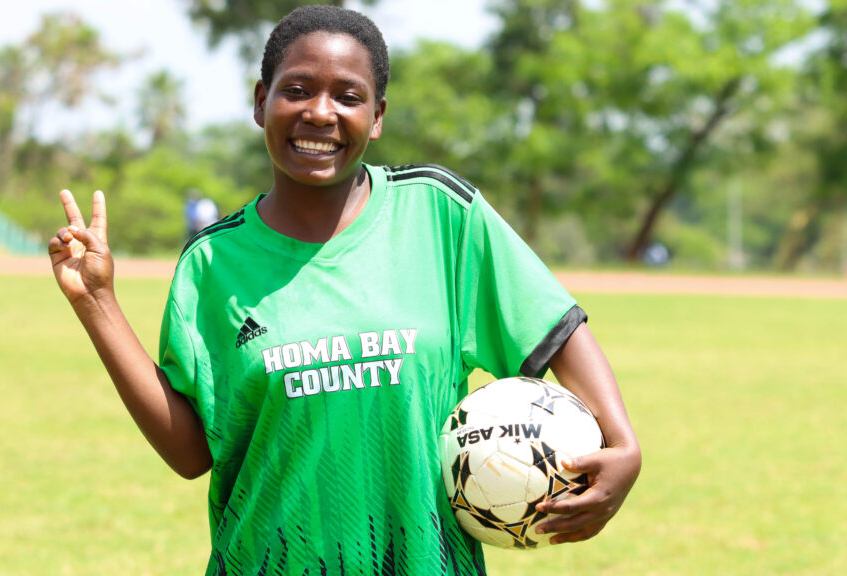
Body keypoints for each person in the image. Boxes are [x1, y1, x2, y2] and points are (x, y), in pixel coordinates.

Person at [48, 5, 640, 575]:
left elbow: (554, 326)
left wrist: (622, 443)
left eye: (348, 97)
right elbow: (191, 455)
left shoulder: (439, 214)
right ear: (262, 102)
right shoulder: (213, 263)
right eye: (297, 90)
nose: (320, 114)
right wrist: (97, 304)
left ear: (377, 116)